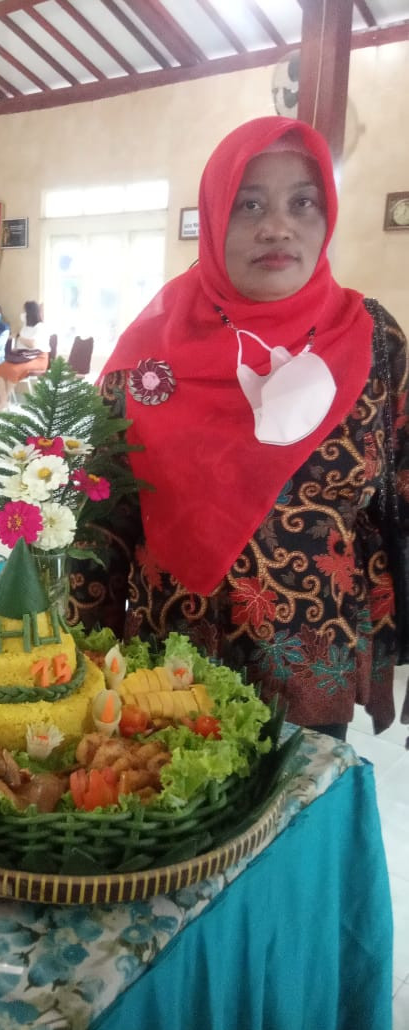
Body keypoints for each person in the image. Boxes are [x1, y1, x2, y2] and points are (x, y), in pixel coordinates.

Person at [70, 116, 409, 742]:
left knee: (294, 828)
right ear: (214, 215)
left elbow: (400, 498)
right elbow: (101, 526)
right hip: (167, 670)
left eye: (301, 202)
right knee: (176, 825)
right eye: (248, 203)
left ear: (325, 216)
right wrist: (83, 656)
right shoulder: (147, 355)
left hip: (310, 666)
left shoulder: (372, 341)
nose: (276, 226)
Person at [0, 300, 49, 410]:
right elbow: (21, 343)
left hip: (38, 358)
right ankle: (4, 400)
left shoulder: (40, 327)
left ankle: (1, 403)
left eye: (24, 311)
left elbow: (32, 344)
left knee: (14, 371)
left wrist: (18, 336)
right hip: (24, 356)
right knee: (0, 369)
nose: (22, 313)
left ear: (30, 312)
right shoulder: (25, 326)